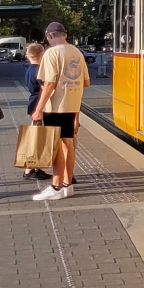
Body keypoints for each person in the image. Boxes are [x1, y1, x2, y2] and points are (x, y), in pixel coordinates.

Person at [31, 23, 89, 200]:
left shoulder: (51, 53)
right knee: (68, 144)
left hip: (55, 107)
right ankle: (67, 184)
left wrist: (38, 109)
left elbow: (49, 83)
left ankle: (56, 187)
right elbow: (86, 82)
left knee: (55, 147)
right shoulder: (77, 53)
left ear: (49, 36)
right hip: (72, 105)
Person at [22, 43, 50, 181]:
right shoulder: (39, 71)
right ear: (42, 54)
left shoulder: (29, 70)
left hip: (32, 104)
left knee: (38, 137)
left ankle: (36, 168)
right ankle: (28, 170)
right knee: (36, 139)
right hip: (38, 106)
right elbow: (45, 88)